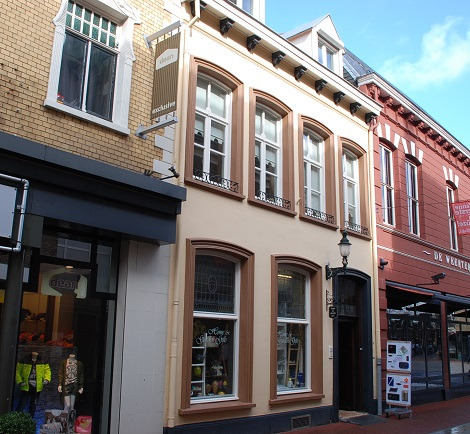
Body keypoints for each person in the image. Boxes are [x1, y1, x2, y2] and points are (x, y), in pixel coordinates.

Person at [15, 351, 51, 417]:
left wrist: (46, 380)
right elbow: (17, 371)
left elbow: (47, 372)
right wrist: (20, 381)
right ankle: (17, 418)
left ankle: (30, 419)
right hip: (26, 385)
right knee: (22, 404)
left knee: (33, 405)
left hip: (37, 387)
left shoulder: (42, 361)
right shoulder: (24, 360)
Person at [58, 354, 84, 418]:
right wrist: (60, 384)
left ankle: (71, 420)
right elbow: (60, 374)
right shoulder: (64, 362)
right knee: (67, 405)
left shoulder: (79, 364)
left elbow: (81, 375)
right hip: (66, 385)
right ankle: (65, 419)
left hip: (75, 386)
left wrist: (81, 386)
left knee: (72, 406)